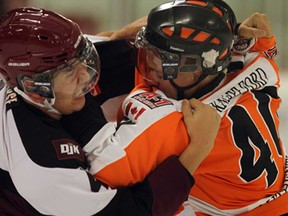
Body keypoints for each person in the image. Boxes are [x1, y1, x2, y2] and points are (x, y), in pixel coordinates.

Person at [71, 0, 286, 215]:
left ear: (195, 69)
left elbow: (105, 171)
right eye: (148, 53)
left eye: (165, 61)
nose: (151, 70)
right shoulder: (258, 62)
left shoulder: (179, 123)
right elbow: (257, 39)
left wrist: (74, 99)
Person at [0, 7, 222, 216]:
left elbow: (133, 47)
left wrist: (228, 36)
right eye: (69, 72)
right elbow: (133, 211)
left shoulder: (53, 70)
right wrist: (198, 148)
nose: (86, 76)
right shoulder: (40, 168)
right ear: (35, 88)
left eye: (84, 58)